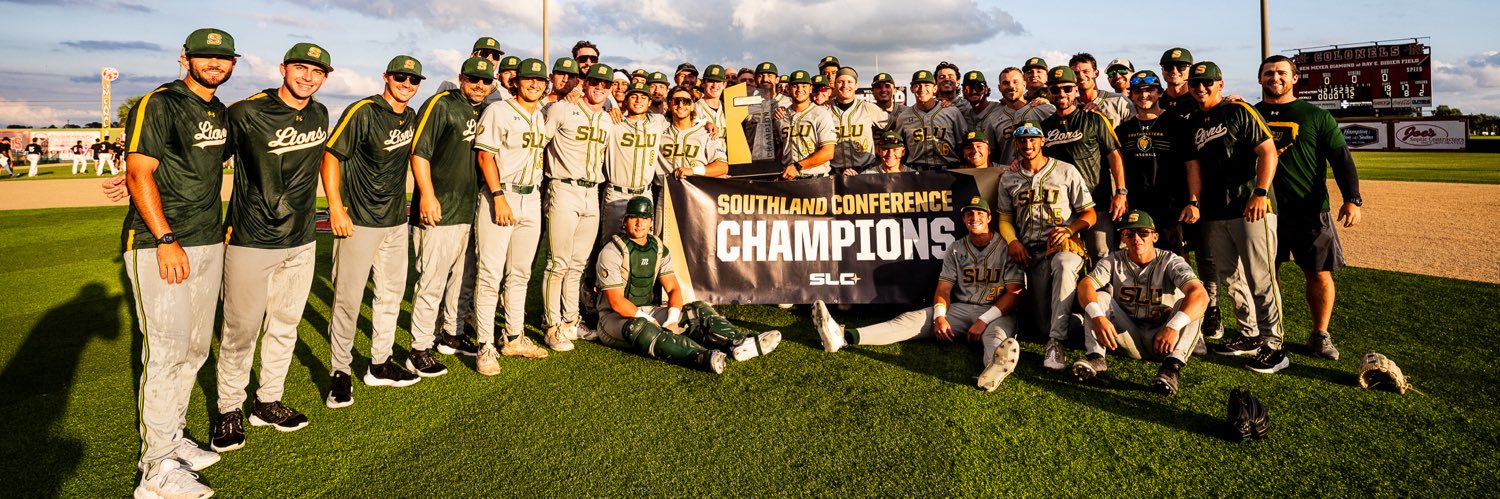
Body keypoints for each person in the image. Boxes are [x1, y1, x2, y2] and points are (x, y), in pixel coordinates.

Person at [122, 27, 237, 499]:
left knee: (193, 350)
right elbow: (138, 171)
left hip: (207, 240)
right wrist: (165, 238)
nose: (214, 63)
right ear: (185, 58)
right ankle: (156, 469)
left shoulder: (220, 112)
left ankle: (174, 438)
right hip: (162, 244)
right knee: (167, 353)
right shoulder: (161, 102)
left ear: (233, 64)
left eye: (223, 58)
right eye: (204, 56)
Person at [212, 42, 332, 451]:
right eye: (301, 68)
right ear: (283, 69)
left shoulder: (319, 113)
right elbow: (205, 159)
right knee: (241, 329)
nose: (308, 77)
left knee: (284, 325)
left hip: (301, 238)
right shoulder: (246, 112)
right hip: (252, 237)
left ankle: (268, 401)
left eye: (317, 72)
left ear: (325, 78)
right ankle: (229, 409)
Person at [812, 196, 1024, 392]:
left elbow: (1014, 294)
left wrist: (983, 320)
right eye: (969, 213)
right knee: (911, 320)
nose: (974, 218)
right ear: (963, 219)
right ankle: (843, 337)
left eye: (979, 213)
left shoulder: (1005, 247)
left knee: (996, 339)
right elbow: (944, 289)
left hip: (996, 311)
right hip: (961, 307)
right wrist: (940, 317)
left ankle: (993, 371)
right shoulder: (956, 248)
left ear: (989, 217)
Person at [321, 55, 427, 409]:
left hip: (395, 220)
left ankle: (380, 363)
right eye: (400, 77)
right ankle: (340, 372)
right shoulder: (363, 111)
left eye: (413, 80)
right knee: (348, 300)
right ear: (386, 76)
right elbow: (331, 156)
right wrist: (336, 207)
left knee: (390, 295)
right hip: (359, 221)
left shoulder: (410, 116)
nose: (406, 84)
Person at [1178, 61, 1287, 374]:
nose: (1201, 88)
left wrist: (1260, 192)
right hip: (1215, 210)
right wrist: (1194, 201)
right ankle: (1249, 333)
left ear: (1220, 84)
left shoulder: (1239, 110)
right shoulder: (1193, 121)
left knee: (1261, 277)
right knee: (1230, 277)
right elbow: (1193, 167)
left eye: (1207, 82)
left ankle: (1274, 345)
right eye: (1195, 83)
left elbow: (1268, 151)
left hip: (1250, 206)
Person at [1254, 54, 1364, 361]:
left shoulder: (1316, 115)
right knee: (1266, 274)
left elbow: (1341, 159)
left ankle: (1320, 334)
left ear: (1294, 78)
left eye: (1281, 73)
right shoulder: (1250, 113)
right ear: (1260, 79)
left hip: (1309, 208)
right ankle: (1270, 332)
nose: (1275, 78)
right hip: (1264, 210)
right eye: (1268, 73)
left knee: (1318, 273)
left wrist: (1352, 198)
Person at [595, 196, 782, 373]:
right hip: (613, 319)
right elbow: (616, 302)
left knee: (696, 310)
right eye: (634, 217)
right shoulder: (612, 251)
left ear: (651, 221)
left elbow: (673, 289)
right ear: (625, 221)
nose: (639, 223)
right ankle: (702, 357)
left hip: (645, 310)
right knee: (639, 327)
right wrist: (649, 320)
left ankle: (740, 343)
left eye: (644, 218)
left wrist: (671, 320)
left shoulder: (658, 248)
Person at [407, 56, 494, 369]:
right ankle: (419, 347)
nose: (479, 85)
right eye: (473, 79)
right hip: (439, 207)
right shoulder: (441, 103)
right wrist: (427, 196)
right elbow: (419, 152)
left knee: (462, 279)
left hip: (469, 208)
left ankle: (451, 334)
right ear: (461, 78)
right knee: (431, 281)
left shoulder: (486, 110)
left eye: (485, 81)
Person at [471, 57, 554, 374]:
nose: (534, 84)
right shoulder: (499, 110)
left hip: (531, 195)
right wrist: (497, 196)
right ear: (516, 81)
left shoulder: (540, 115)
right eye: (528, 79)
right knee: (490, 274)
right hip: (501, 194)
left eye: (539, 80)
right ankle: (484, 345)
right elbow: (484, 156)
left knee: (520, 274)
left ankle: (514, 337)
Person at [1074, 210, 1208, 395]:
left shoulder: (1171, 261)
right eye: (1129, 234)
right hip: (1128, 335)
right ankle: (1097, 361)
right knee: (1100, 298)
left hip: (1164, 339)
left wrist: (1173, 327)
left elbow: (1200, 294)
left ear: (1155, 237)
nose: (1136, 238)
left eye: (1143, 232)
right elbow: (1085, 285)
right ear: (1123, 238)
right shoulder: (1113, 260)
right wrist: (1097, 317)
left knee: (1192, 304)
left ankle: (1171, 368)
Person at [996, 121, 1096, 371]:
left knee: (1064, 266)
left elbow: (1090, 214)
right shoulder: (1009, 177)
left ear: (1043, 141)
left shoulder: (1065, 170)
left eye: (1032, 139)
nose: (1027, 144)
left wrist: (1070, 229)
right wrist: (1013, 241)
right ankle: (1078, 320)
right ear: (1016, 144)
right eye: (1022, 140)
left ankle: (1056, 343)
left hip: (1064, 245)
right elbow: (1005, 218)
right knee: (1041, 326)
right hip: (1032, 251)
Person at [542, 61, 615, 350]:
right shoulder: (561, 109)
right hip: (563, 186)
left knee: (577, 265)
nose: (599, 88)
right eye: (594, 82)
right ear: (585, 83)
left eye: (605, 85)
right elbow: (538, 144)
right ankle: (552, 325)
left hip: (591, 191)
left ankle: (570, 320)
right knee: (557, 262)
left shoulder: (609, 119)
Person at [1040, 66, 1126, 261]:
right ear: (1049, 93)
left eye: (1067, 88)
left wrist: (1121, 192)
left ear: (1076, 89)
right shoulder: (1044, 127)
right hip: (1061, 208)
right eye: (1055, 89)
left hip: (1097, 202)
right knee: (1066, 259)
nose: (1062, 94)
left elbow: (1114, 155)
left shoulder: (1094, 118)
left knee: (1103, 257)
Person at [1114, 70, 1185, 253]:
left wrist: (1193, 201)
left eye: (1149, 90)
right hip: (1137, 204)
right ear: (1131, 95)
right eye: (1138, 91)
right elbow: (1118, 166)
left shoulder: (1177, 124)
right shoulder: (1123, 130)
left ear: (1159, 92)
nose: (1143, 95)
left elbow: (1191, 164)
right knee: (1140, 255)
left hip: (1170, 204)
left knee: (1174, 258)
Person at [601, 83, 671, 254]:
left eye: (643, 97)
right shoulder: (613, 122)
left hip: (644, 192)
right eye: (633, 96)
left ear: (649, 102)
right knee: (609, 246)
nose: (638, 100)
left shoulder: (658, 122)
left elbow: (684, 120)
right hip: (616, 193)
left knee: (642, 247)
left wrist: (707, 123)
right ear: (626, 100)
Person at [894, 69, 963, 170]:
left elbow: (963, 143)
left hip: (949, 170)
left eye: (927, 85)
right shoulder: (903, 117)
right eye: (917, 85)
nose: (922, 89)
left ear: (935, 88)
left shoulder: (952, 111)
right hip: (916, 171)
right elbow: (898, 148)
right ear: (912, 89)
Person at [985, 67, 1055, 166]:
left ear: (1024, 84)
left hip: (1041, 170)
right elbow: (989, 154)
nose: (1011, 86)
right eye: (1006, 83)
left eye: (1015, 82)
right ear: (999, 87)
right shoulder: (992, 119)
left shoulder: (1044, 109)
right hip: (1008, 171)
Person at [774, 70, 836, 180]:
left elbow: (828, 152)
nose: (799, 89)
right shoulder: (781, 116)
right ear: (789, 88)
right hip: (788, 179)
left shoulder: (821, 114)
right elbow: (779, 149)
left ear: (811, 88)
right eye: (795, 86)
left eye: (804, 86)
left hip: (816, 179)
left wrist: (797, 167)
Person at [828, 67, 889, 174]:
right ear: (835, 85)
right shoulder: (826, 111)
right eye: (840, 82)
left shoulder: (867, 107)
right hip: (836, 173)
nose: (845, 85)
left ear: (856, 85)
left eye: (849, 82)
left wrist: (880, 146)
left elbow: (893, 125)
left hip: (866, 171)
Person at [661, 85, 728, 180]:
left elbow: (722, 167)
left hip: (696, 187)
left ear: (692, 106)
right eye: (676, 101)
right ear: (669, 105)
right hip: (664, 188)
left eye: (686, 101)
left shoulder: (707, 133)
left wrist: (693, 171)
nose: (681, 105)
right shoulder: (659, 129)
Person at [434, 37, 507, 103]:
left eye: (495, 56)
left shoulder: (503, 94)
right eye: (484, 54)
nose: (490, 59)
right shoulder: (450, 85)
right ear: (472, 56)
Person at [1069, 53, 1134, 125]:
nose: (1081, 76)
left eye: (1086, 71)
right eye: (1076, 73)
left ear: (1096, 73)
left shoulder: (1119, 101)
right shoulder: (1069, 106)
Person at [847, 130, 911, 175]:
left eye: (895, 150)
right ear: (879, 151)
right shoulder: (868, 175)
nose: (890, 154)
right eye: (885, 149)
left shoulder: (913, 175)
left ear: (903, 152)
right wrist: (847, 180)